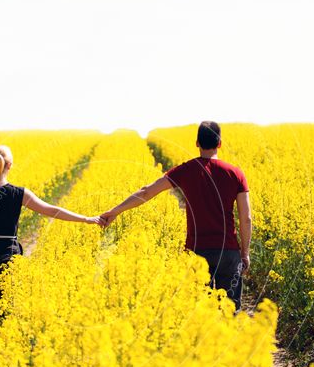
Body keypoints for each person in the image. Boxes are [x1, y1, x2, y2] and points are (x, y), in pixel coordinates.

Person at [100, 121, 252, 309]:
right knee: (230, 314)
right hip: (228, 253)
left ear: (197, 142)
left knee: (196, 314)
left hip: (196, 252)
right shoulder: (235, 173)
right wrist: (244, 253)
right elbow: (246, 218)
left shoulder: (186, 170)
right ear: (219, 143)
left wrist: (115, 211)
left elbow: (146, 192)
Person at [0, 145, 103, 309]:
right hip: (6, 258)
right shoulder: (18, 193)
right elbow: (52, 210)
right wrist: (86, 219)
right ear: (9, 166)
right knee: (7, 315)